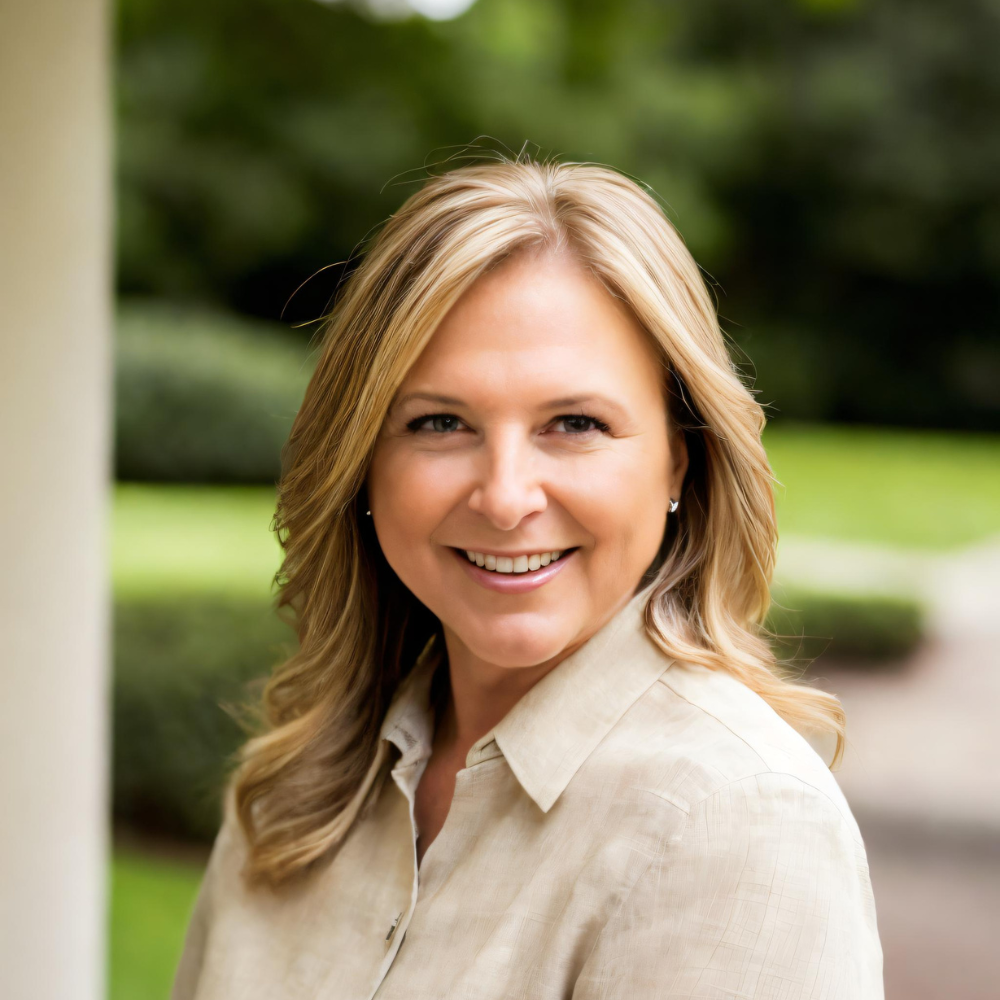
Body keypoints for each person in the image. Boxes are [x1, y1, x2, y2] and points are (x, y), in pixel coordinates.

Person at [171, 156, 884, 999]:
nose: (506, 498)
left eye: (575, 424)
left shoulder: (737, 822)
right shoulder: (292, 790)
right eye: (439, 422)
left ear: (678, 464)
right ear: (363, 462)